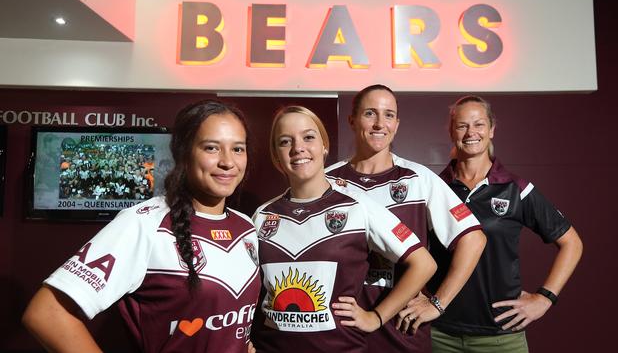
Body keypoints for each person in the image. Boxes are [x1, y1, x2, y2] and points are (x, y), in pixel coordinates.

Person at [22, 100, 261, 353]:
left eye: (238, 149)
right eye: (211, 148)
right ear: (183, 152)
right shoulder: (143, 222)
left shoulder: (245, 226)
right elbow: (47, 313)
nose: (228, 161)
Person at [400, 95, 583, 352]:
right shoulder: (434, 187)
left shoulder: (515, 188)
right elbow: (408, 248)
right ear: (451, 131)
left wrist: (545, 298)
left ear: (492, 129)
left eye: (479, 124)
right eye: (462, 125)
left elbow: (572, 243)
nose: (471, 132)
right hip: (439, 334)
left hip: (500, 336)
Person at [251, 105, 437, 353]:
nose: (298, 148)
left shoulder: (360, 206)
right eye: (285, 142)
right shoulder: (262, 216)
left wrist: (377, 317)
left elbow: (424, 264)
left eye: (308, 137)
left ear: (324, 145)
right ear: (276, 155)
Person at [325, 84, 487, 352]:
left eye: (388, 115)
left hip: (401, 334)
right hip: (341, 330)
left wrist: (438, 302)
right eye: (370, 114)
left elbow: (474, 239)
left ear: (397, 124)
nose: (380, 123)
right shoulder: (329, 181)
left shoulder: (418, 178)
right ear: (352, 120)